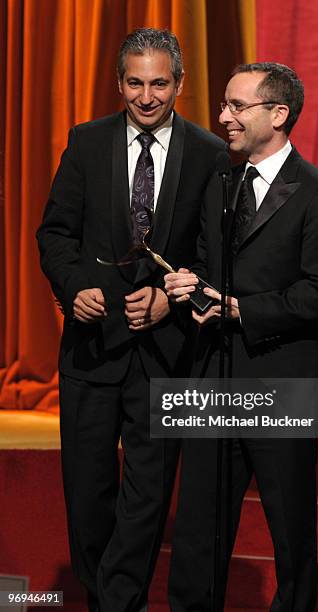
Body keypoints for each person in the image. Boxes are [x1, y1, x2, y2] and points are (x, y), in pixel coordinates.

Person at [36, 28, 225, 612]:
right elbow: (55, 234)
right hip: (91, 350)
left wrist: (174, 298)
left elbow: (214, 253)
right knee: (89, 497)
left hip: (167, 355)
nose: (147, 97)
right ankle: (110, 600)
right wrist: (74, 287)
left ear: (180, 85)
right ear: (120, 83)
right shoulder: (87, 142)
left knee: (147, 498)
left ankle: (119, 603)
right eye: (136, 84)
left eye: (160, 84)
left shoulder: (209, 154)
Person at [165, 62, 318, 611]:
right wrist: (190, 288)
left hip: (283, 380)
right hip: (213, 377)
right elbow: (204, 262)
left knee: (290, 532)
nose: (223, 117)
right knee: (199, 528)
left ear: (278, 114)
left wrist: (243, 310)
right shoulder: (219, 181)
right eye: (224, 105)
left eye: (236, 106)